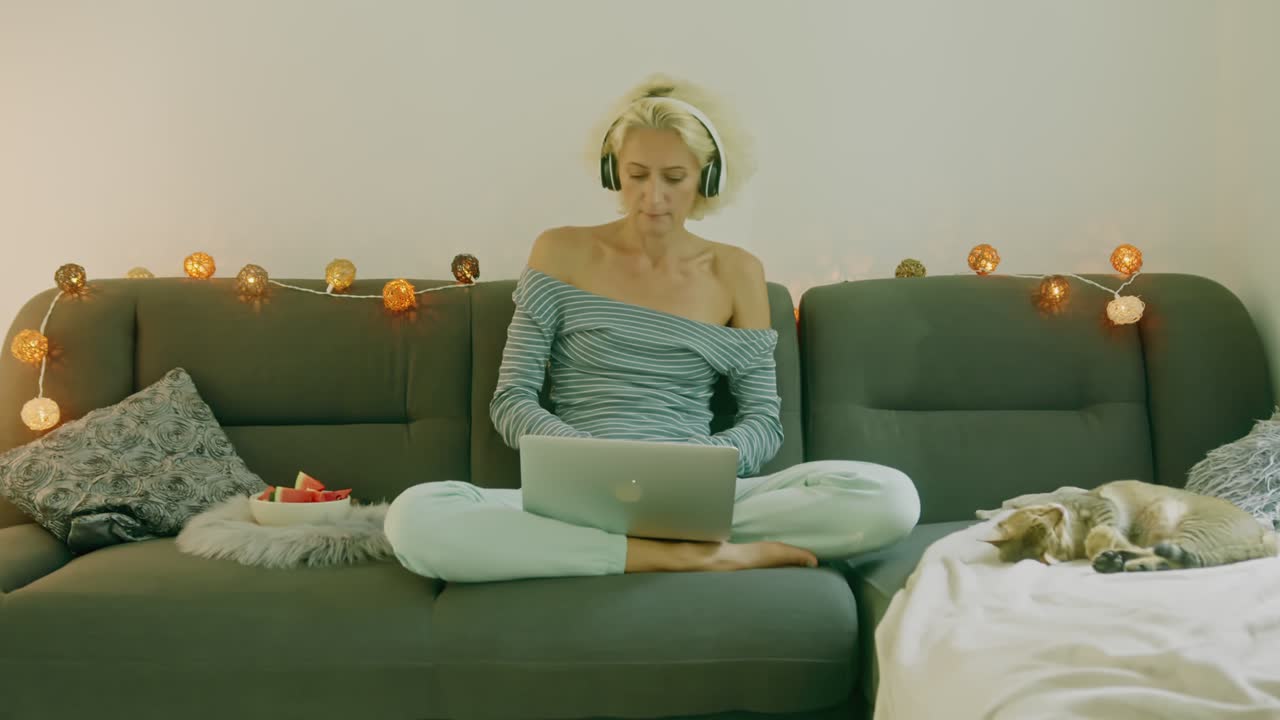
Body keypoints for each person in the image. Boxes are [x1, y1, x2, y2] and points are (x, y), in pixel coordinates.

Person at [384, 75, 920, 583]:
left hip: (694, 493)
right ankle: (689, 558)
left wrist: (695, 470)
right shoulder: (559, 251)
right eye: (637, 175)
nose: (652, 198)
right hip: (575, 499)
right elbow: (512, 400)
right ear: (613, 170)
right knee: (414, 517)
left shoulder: (737, 272)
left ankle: (636, 547)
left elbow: (763, 420)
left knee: (891, 497)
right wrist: (588, 461)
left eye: (674, 178)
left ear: (706, 179)